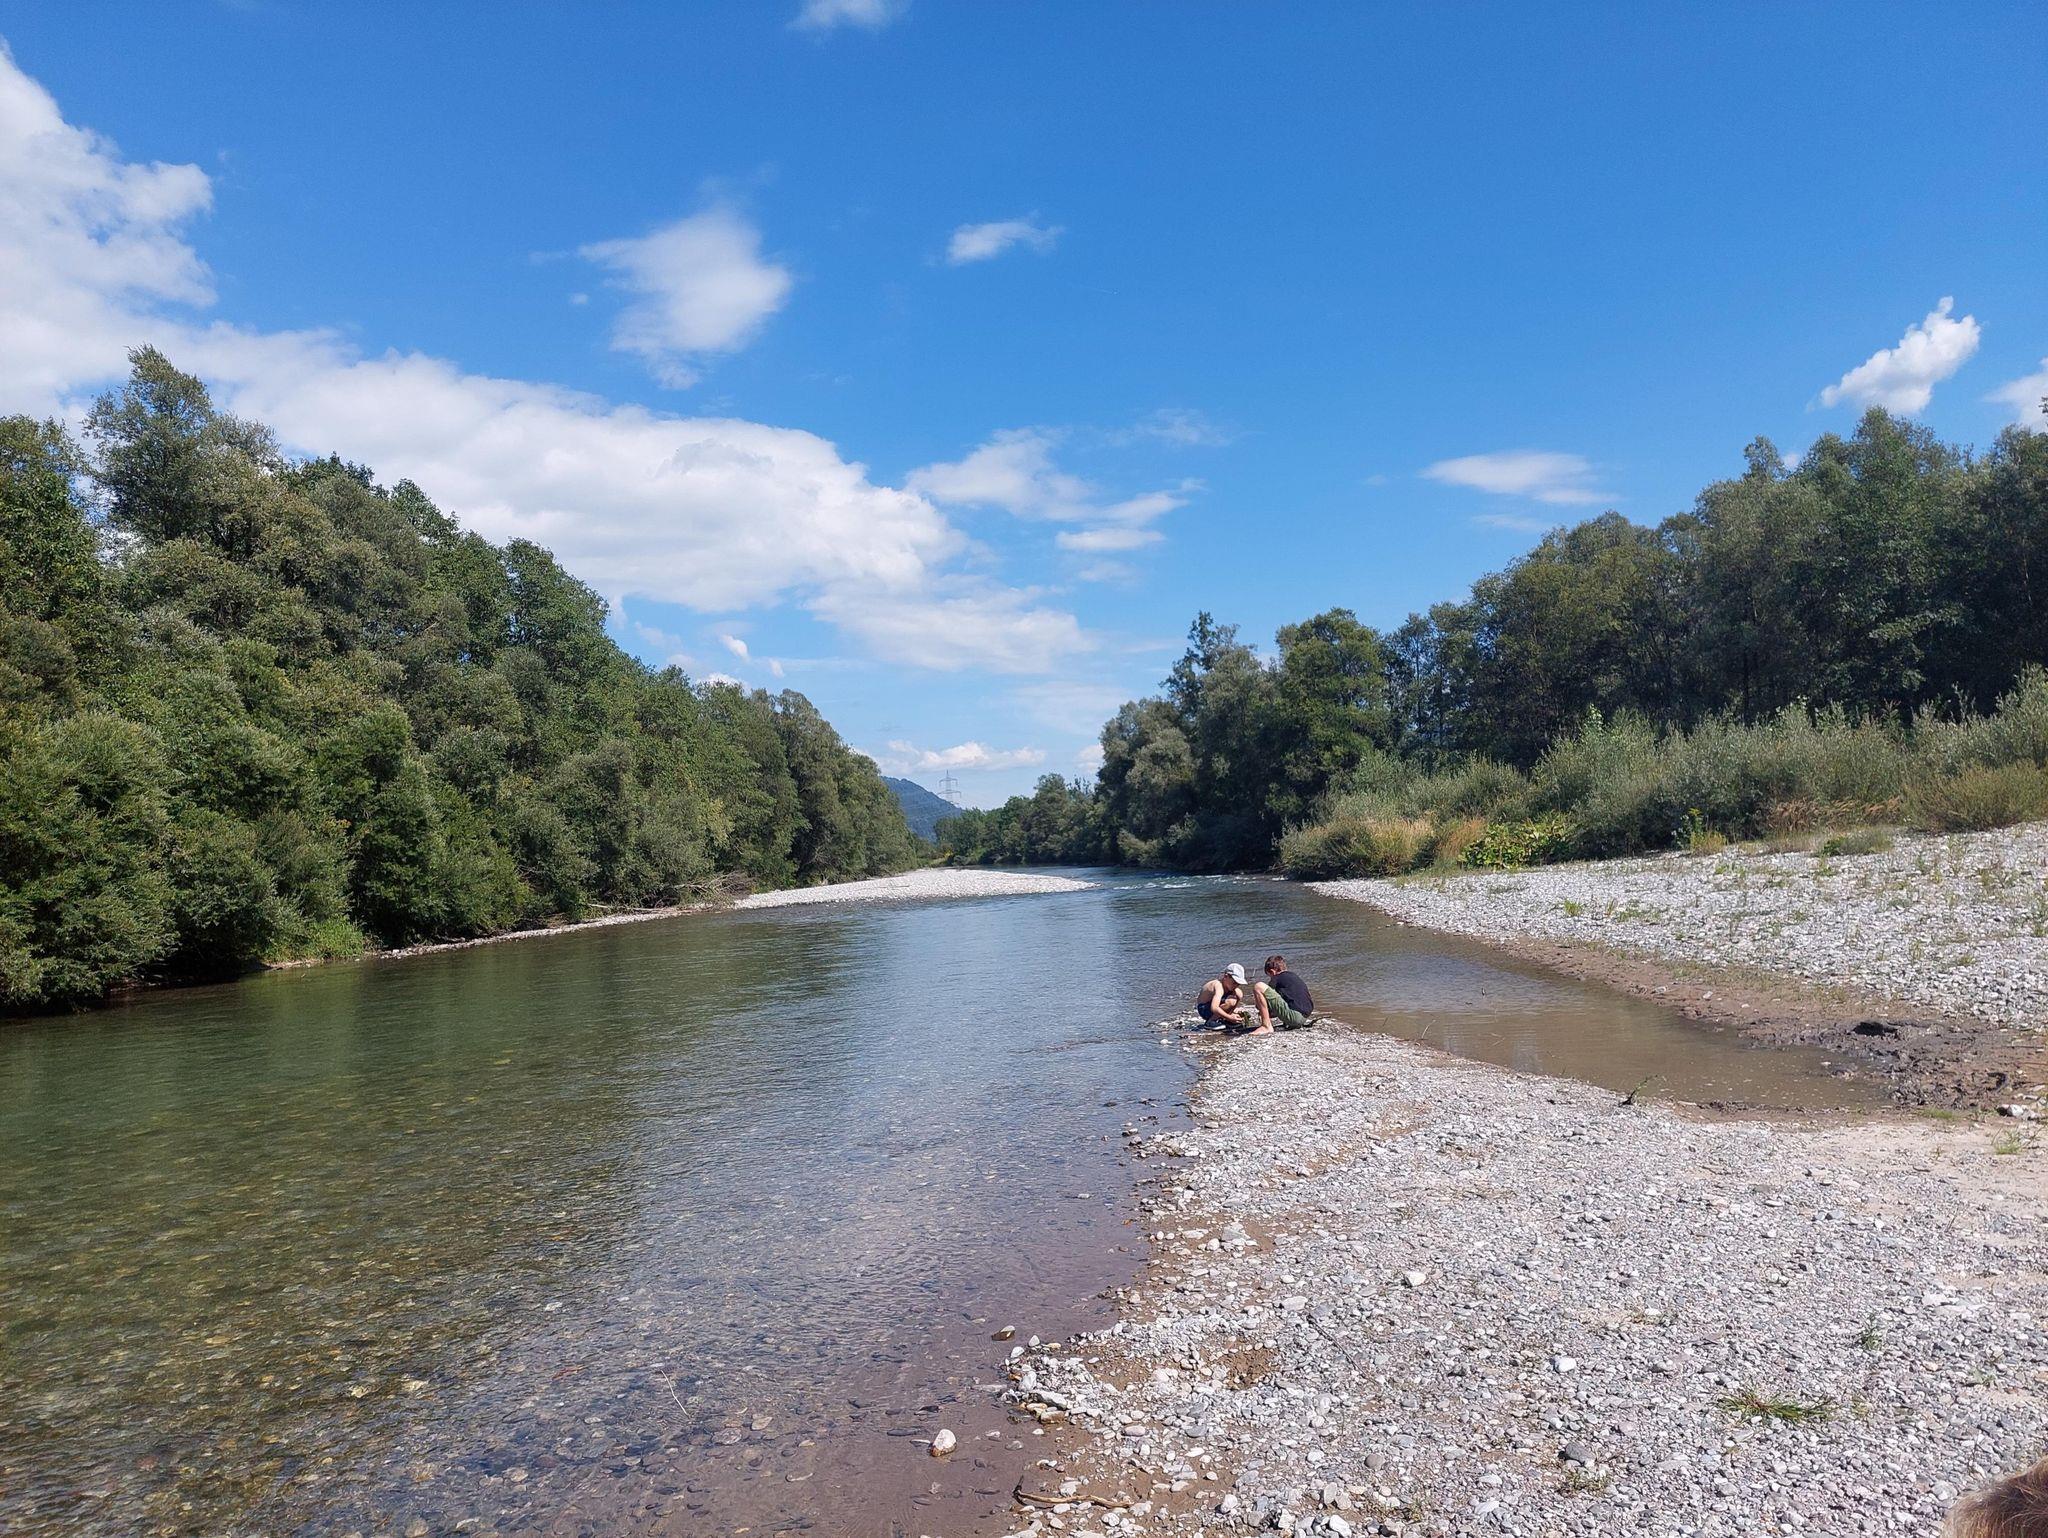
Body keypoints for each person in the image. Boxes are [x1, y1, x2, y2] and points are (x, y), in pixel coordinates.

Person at [1196, 963, 1270, 1033]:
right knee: (1231, 1001)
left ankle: (1225, 1020)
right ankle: (1210, 1022)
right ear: (1226, 977)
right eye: (1234, 983)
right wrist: (1229, 1017)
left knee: (1239, 993)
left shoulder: (1228, 986)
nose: (1236, 985)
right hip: (1204, 1008)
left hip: (1213, 1006)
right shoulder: (1218, 986)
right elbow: (1214, 1008)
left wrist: (1231, 1014)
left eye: (1238, 984)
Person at [1255, 955, 1315, 1029]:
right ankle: (1288, 1023)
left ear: (1272, 971)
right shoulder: (1293, 976)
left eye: (1269, 975)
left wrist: (1260, 1007)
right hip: (1305, 1016)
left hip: (1294, 1017)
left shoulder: (1276, 978)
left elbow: (1267, 1001)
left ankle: (1266, 1026)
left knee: (1259, 986)